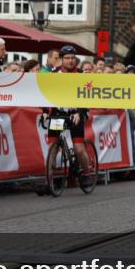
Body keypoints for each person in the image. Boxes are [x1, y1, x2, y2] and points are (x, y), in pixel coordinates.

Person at [42, 45, 92, 176]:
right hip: (59, 115)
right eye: (67, 58)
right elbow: (47, 94)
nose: (70, 61)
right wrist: (45, 111)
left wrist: (80, 112)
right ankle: (49, 180)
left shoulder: (82, 74)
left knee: (79, 149)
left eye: (72, 58)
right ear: (61, 59)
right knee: (52, 149)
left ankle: (87, 173)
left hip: (76, 113)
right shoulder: (53, 74)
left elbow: (87, 96)